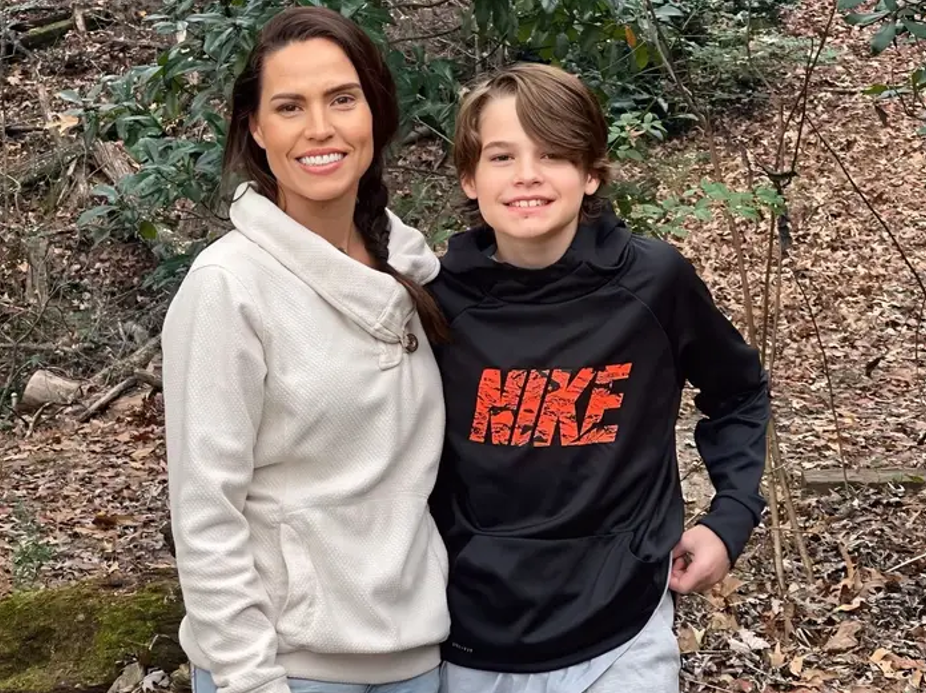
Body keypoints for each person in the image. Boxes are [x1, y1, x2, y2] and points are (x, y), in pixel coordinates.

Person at [428, 63, 770, 693]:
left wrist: (731, 517)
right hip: (472, 633)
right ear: (470, 178)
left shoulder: (652, 284)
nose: (527, 175)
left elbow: (738, 392)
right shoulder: (433, 303)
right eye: (502, 156)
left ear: (590, 173)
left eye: (553, 154)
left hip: (623, 626)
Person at [161, 7, 452, 693]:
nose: (320, 127)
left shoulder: (411, 270)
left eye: (342, 99)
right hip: (288, 667)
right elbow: (205, 509)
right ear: (257, 129)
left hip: (417, 656)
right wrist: (249, 677)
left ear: (374, 113)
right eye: (290, 106)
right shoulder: (229, 285)